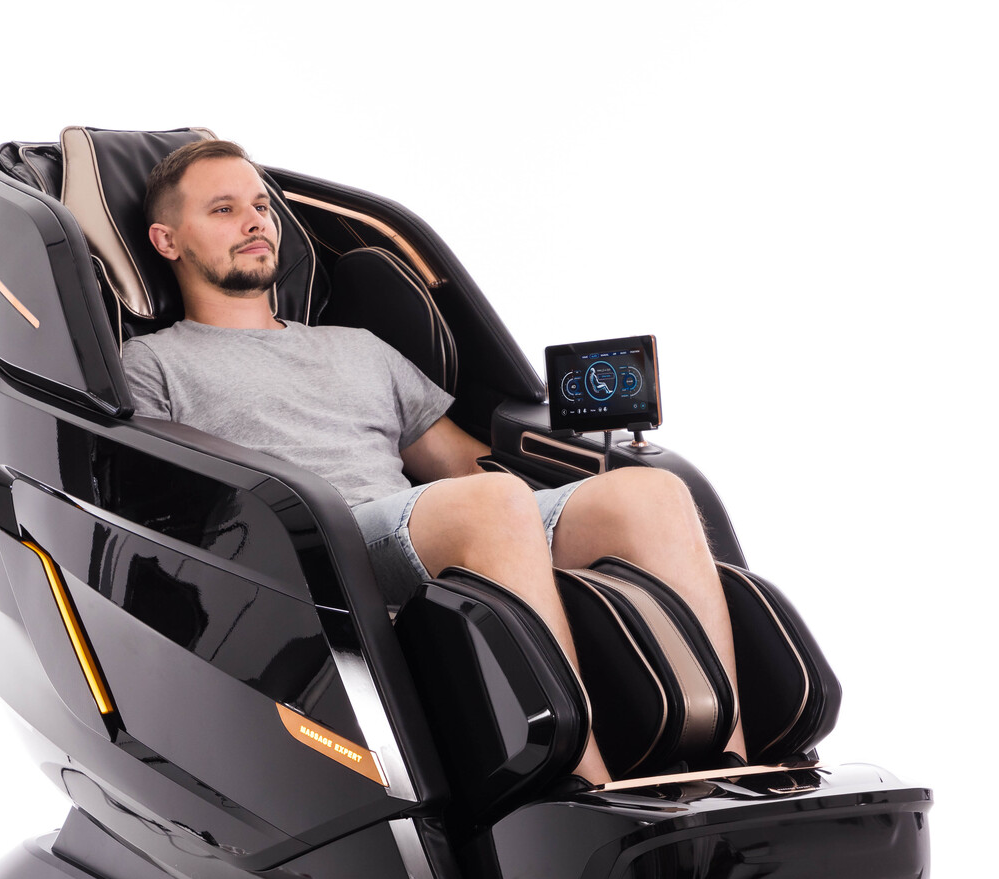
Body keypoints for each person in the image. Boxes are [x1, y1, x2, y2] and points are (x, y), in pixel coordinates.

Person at [122, 139, 747, 786]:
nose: (255, 222)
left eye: (261, 206)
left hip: (420, 524)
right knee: (492, 505)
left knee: (649, 492)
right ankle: (585, 784)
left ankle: (731, 767)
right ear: (167, 241)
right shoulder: (153, 362)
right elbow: (165, 503)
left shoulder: (358, 347)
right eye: (223, 209)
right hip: (311, 549)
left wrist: (571, 483)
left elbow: (464, 464)